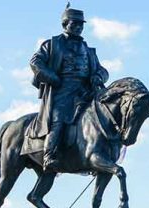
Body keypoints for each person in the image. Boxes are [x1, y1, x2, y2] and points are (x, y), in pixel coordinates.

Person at [27, 6, 109, 171]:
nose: (79, 27)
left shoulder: (88, 50)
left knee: (105, 114)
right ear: (65, 24)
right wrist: (53, 78)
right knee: (59, 118)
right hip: (62, 89)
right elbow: (35, 62)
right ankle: (49, 156)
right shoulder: (52, 44)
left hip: (86, 90)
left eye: (81, 24)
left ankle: (101, 155)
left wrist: (98, 76)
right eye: (75, 23)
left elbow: (103, 70)